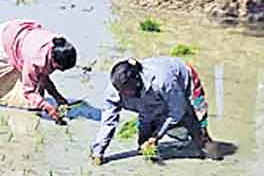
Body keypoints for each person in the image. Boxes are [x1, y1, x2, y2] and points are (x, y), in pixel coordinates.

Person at [92, 57, 221, 164]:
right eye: (120, 91)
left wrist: (157, 135)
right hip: (151, 103)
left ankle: (210, 151)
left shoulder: (162, 82)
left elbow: (177, 111)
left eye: (126, 92)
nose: (122, 95)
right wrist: (99, 152)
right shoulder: (114, 92)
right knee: (144, 145)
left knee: (200, 135)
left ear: (137, 82)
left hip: (183, 85)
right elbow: (108, 122)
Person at [0, 20, 76, 123]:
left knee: (36, 100)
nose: (58, 71)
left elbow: (43, 76)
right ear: (53, 59)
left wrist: (58, 98)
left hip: (20, 42)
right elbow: (29, 91)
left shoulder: (57, 45)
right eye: (59, 68)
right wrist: (48, 107)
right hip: (2, 41)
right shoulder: (35, 59)